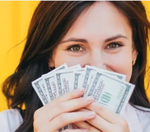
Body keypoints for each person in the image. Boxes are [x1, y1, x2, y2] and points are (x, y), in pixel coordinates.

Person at [0, 1, 150, 132]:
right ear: (49, 57)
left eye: (114, 45)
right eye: (76, 47)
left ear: (134, 52)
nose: (97, 67)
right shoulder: (6, 125)